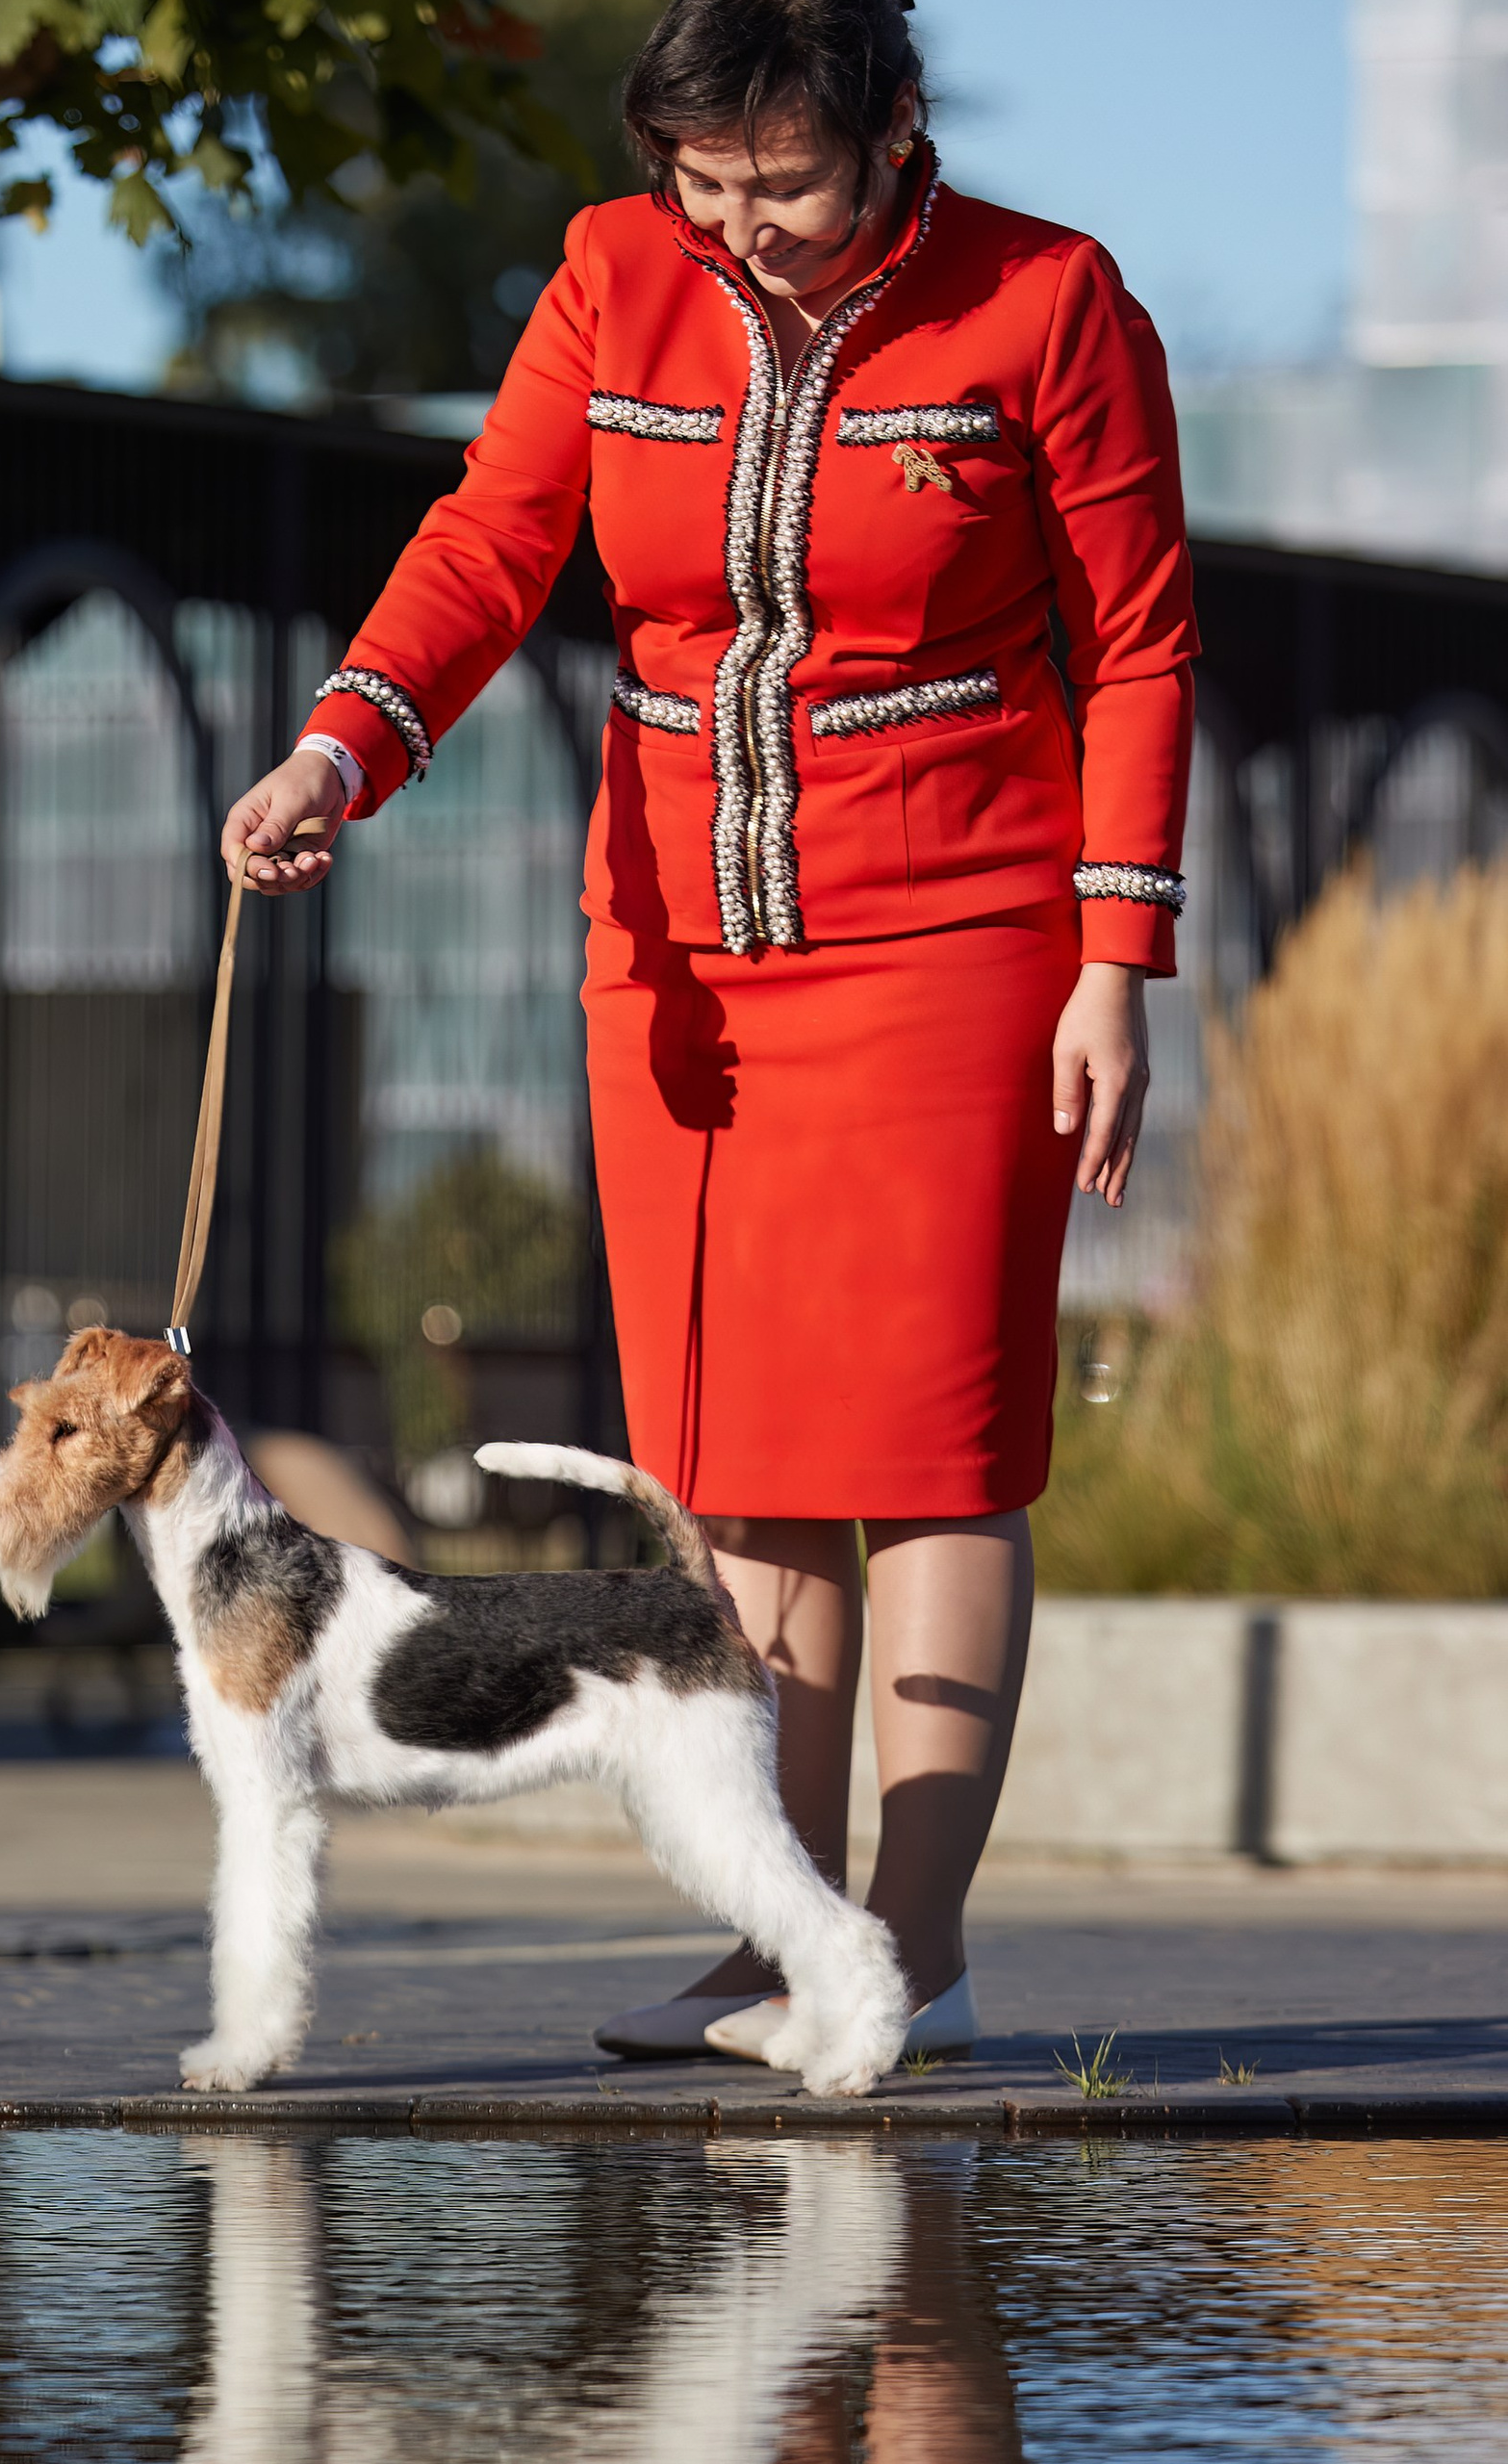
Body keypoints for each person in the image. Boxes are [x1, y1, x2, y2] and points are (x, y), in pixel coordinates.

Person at [219, 0, 1195, 2065]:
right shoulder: (608, 273)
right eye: (701, 182)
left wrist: (1114, 957)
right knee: (736, 1463)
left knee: (927, 1457)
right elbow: (491, 541)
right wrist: (336, 751)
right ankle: (781, 1934)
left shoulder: (1047, 302)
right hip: (676, 951)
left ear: (896, 128)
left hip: (957, 943)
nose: (737, 225)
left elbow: (1134, 640)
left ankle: (909, 1947)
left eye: (786, 184)